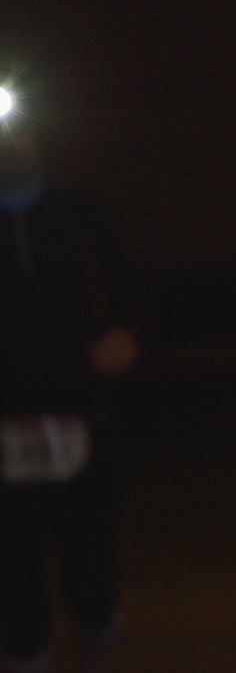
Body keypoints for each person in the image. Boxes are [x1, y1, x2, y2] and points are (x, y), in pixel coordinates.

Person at [1, 102, 139, 673]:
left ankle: (95, 642)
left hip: (79, 417)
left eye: (17, 131)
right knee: (12, 565)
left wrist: (127, 337)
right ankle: (26, 654)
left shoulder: (81, 217)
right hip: (3, 422)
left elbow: (133, 298)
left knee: (89, 554)